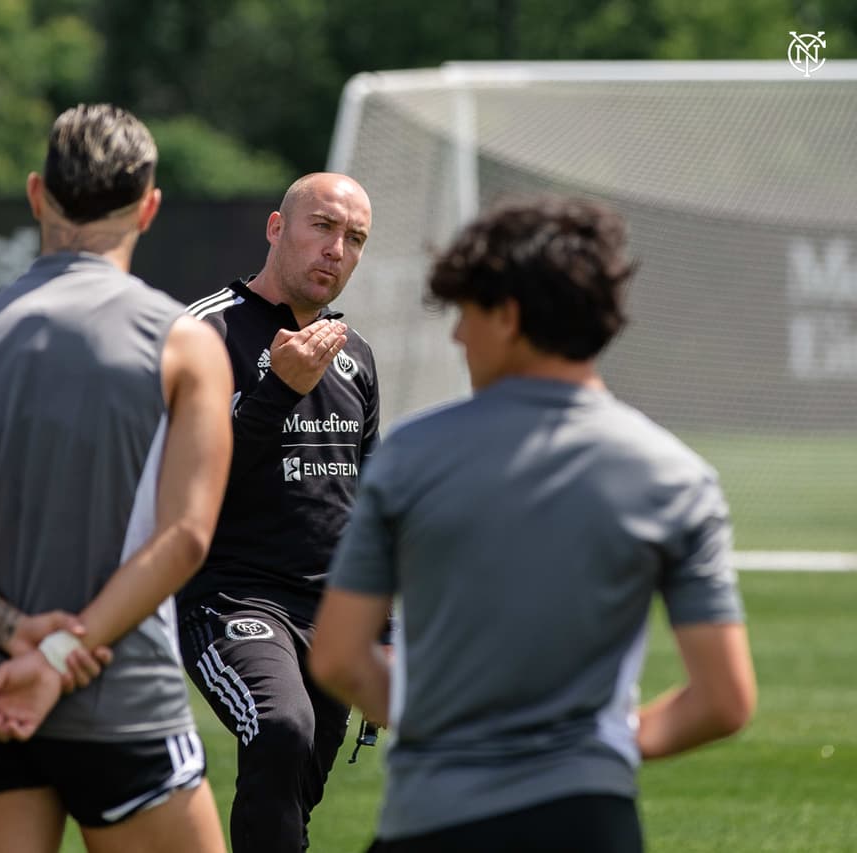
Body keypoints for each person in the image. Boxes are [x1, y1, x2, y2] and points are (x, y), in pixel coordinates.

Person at [309, 196, 757, 853]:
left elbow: (340, 657)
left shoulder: (410, 456)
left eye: (466, 313)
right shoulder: (675, 476)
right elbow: (724, 699)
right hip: (590, 821)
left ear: (509, 317)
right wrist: (601, 745)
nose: (457, 336)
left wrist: (446, 722)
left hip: (431, 819)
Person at [0, 102, 232, 853]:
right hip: (120, 704)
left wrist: (15, 634)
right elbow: (186, 537)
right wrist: (57, 657)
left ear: (36, 195)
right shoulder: (182, 342)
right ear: (150, 206)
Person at [176, 172, 379, 853]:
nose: (336, 250)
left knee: (292, 797)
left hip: (334, 614)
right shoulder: (202, 333)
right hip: (230, 595)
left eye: (354, 239)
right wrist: (275, 391)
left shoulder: (355, 356)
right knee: (279, 726)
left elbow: (364, 498)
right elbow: (179, 484)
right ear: (275, 227)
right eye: (322, 226)